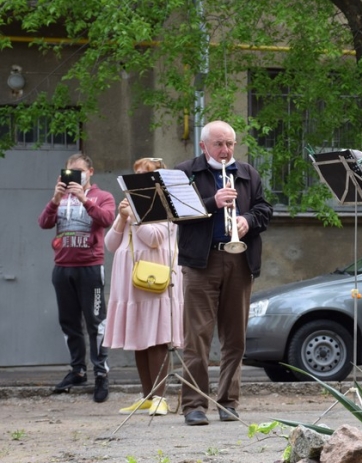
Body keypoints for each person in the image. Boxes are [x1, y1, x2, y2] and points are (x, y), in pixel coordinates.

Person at [175, 121, 273, 426]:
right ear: (204, 146)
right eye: (219, 144)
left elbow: (265, 210)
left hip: (239, 261)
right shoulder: (186, 172)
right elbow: (176, 213)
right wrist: (211, 203)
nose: (225, 150)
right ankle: (194, 404)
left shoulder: (247, 173)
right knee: (197, 336)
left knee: (235, 338)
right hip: (200, 263)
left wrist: (247, 221)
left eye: (230, 143)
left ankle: (229, 401)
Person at [104, 157, 184, 416]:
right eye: (135, 173)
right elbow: (110, 244)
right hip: (130, 279)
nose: (137, 179)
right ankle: (147, 395)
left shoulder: (166, 205)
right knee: (139, 335)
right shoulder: (132, 207)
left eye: (144, 174)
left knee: (156, 335)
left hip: (155, 276)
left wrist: (134, 216)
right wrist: (121, 218)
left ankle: (161, 397)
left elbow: (154, 238)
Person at [38, 152, 116, 402]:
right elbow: (43, 223)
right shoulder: (60, 198)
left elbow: (107, 219)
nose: (74, 178)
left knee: (96, 323)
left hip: (90, 267)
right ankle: (77, 370)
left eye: (79, 173)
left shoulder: (103, 196)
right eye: (70, 173)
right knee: (69, 322)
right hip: (63, 267)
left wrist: (85, 200)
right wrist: (54, 199)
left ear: (90, 173)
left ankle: (101, 374)